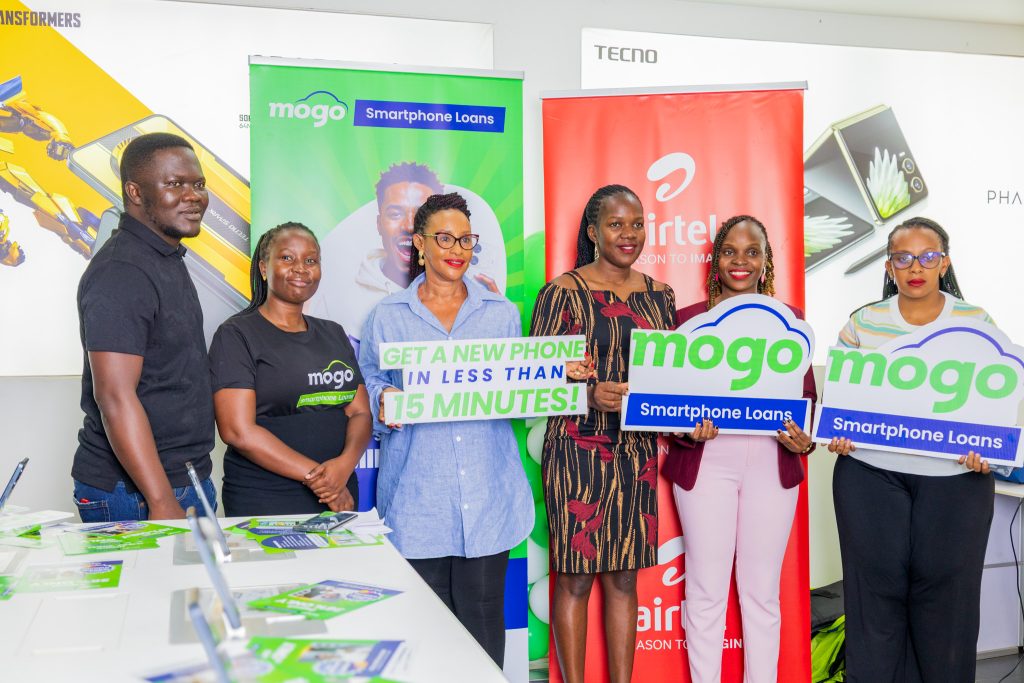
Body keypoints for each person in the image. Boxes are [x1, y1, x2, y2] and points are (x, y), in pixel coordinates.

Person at [359, 192, 532, 667]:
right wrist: (382, 396)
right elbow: (370, 379)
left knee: (483, 627)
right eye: (445, 238)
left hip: (488, 498)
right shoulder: (387, 316)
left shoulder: (501, 313)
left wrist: (560, 375)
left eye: (466, 239)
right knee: (426, 635)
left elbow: (521, 383)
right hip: (418, 501)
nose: (458, 249)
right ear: (419, 243)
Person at [828, 217, 994, 682]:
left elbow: (994, 407)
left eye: (927, 257)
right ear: (889, 266)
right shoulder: (862, 323)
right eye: (903, 258)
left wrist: (988, 451)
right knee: (873, 599)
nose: (915, 267)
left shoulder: (976, 323)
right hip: (869, 476)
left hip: (956, 480)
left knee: (949, 606)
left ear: (945, 263)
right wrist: (837, 431)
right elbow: (839, 403)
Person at [530, 184, 675, 683]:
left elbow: (669, 377)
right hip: (575, 447)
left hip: (636, 449)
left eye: (636, 224)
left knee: (624, 577)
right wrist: (588, 394)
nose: (628, 234)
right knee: (574, 578)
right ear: (593, 232)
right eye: (616, 224)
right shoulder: (561, 293)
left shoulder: (660, 296)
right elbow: (535, 381)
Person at [664, 215, 816, 683]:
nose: (740, 261)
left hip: (772, 465)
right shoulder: (686, 321)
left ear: (766, 261)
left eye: (752, 252)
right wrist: (688, 430)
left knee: (761, 593)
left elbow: (807, 400)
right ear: (715, 259)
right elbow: (664, 403)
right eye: (730, 251)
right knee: (705, 590)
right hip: (707, 465)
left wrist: (806, 439)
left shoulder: (790, 321)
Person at [72, 132, 216, 522]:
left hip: (181, 478)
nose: (193, 196)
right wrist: (161, 499)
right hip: (137, 492)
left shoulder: (163, 255)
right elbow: (114, 397)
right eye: (175, 184)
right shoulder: (122, 271)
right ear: (135, 192)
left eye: (198, 184)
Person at [208, 222, 371, 517]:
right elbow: (237, 431)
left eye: (310, 260)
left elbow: (359, 412)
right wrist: (321, 479)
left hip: (339, 492)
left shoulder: (333, 333)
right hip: (267, 498)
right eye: (287, 258)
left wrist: (343, 467)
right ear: (263, 267)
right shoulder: (236, 335)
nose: (300, 268)